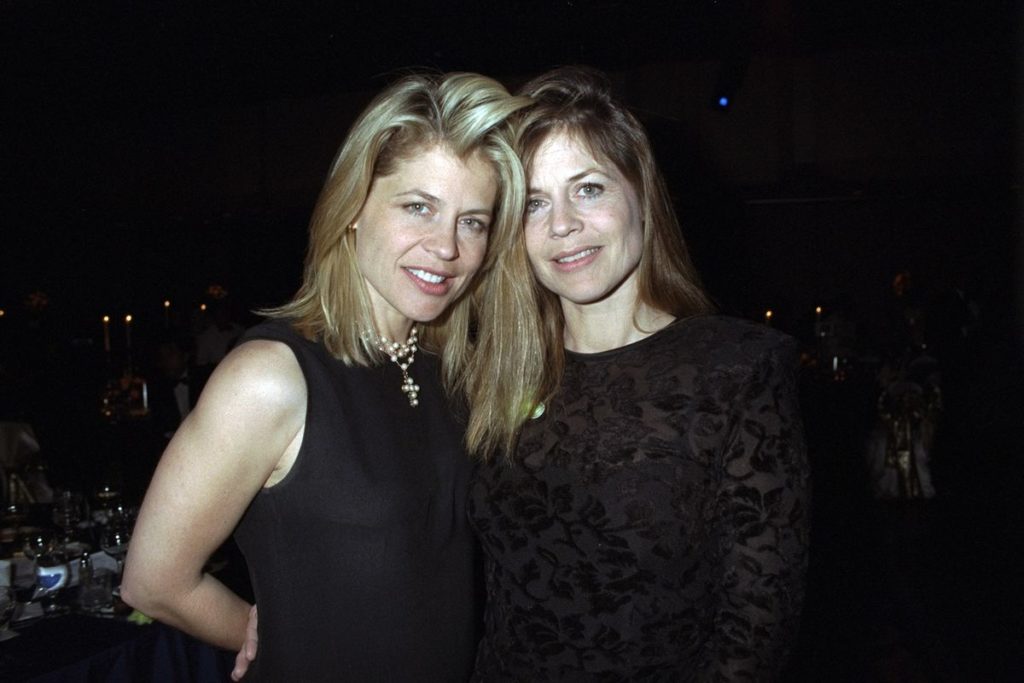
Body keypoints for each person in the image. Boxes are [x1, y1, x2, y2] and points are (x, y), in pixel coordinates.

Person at [121, 71, 529, 681]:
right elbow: (153, 582)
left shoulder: (445, 370)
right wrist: (259, 632)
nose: (447, 247)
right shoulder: (271, 376)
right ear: (353, 208)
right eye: (418, 207)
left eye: (472, 221)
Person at [463, 66, 810, 680]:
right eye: (534, 203)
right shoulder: (494, 374)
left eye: (588, 189)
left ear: (641, 196)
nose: (561, 224)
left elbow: (754, 632)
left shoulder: (736, 370)